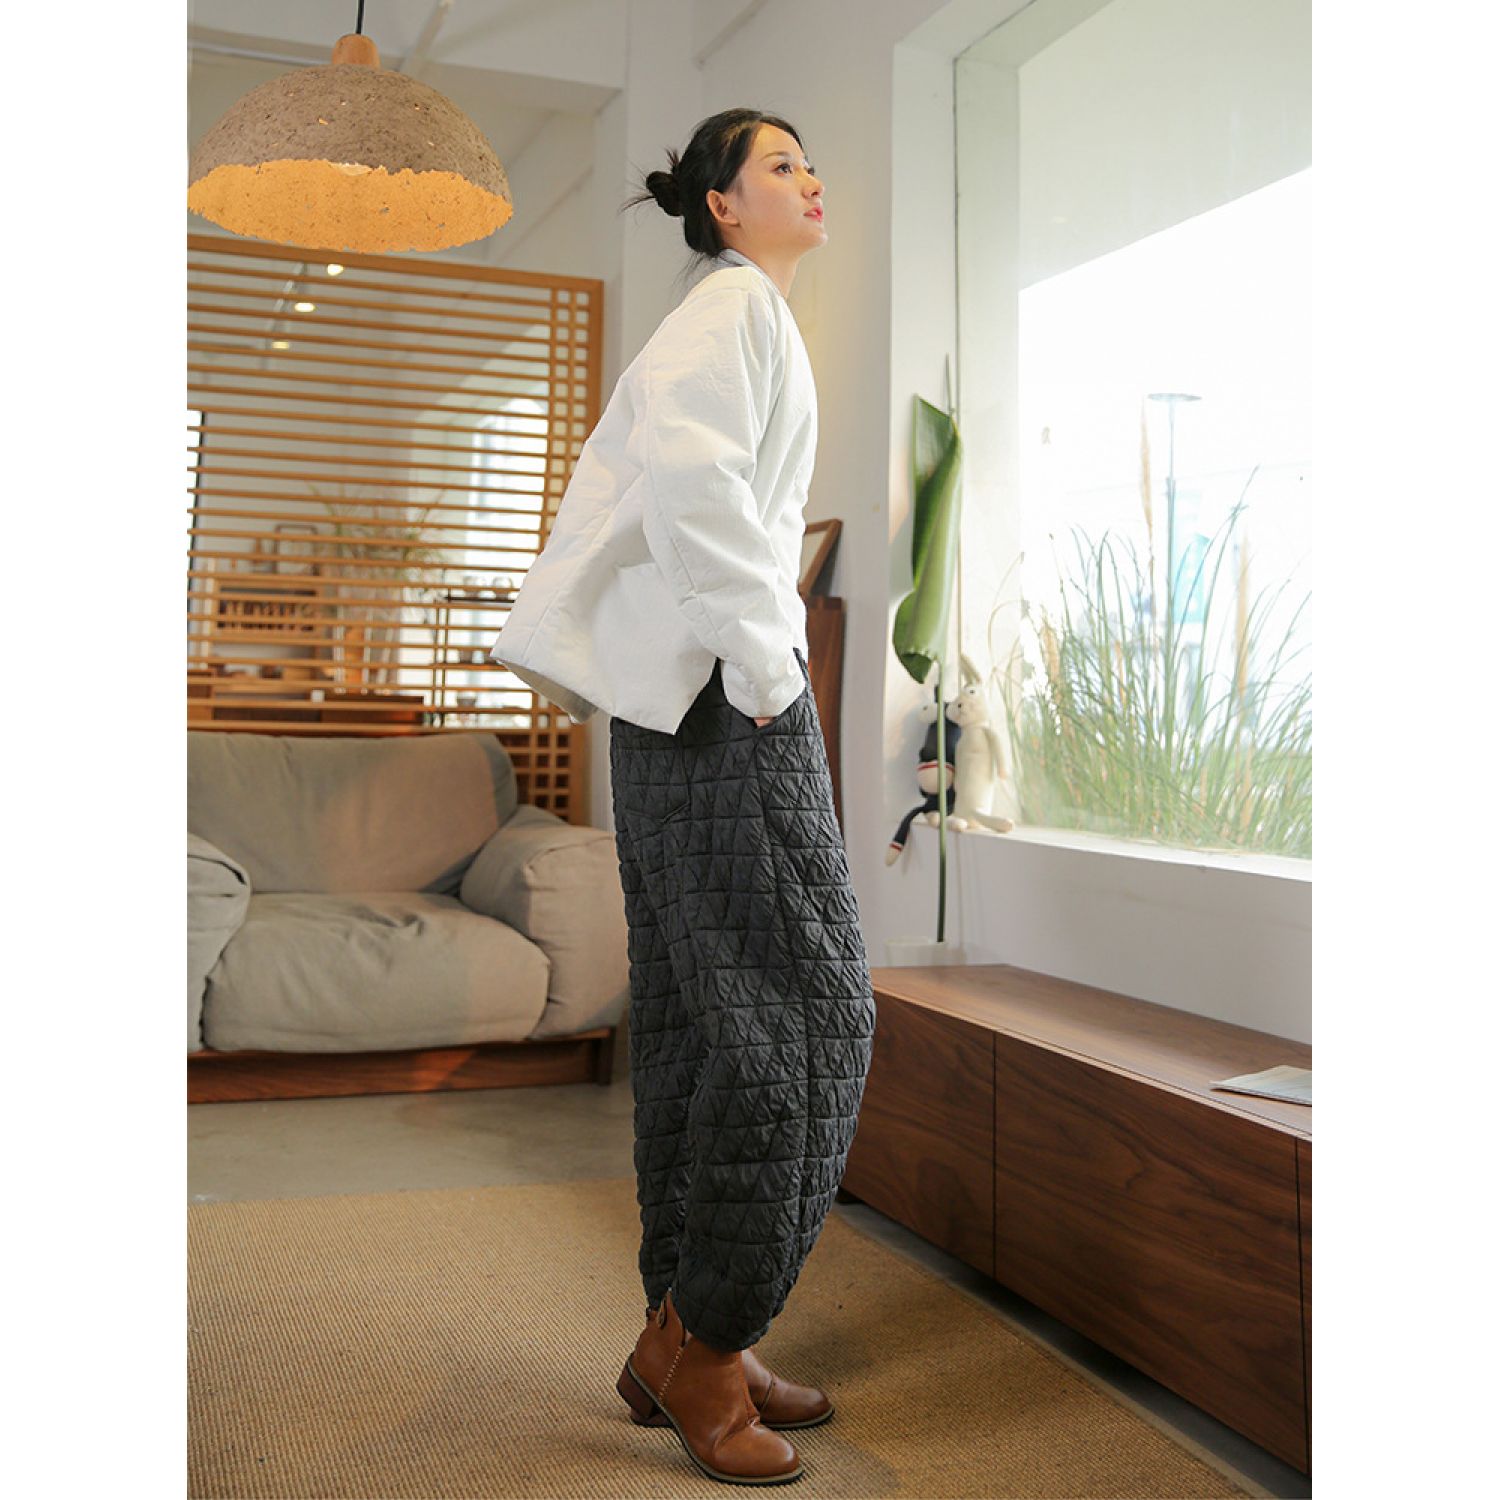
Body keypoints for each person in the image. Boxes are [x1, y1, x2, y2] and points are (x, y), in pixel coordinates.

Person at [488, 107, 875, 1487]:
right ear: (721, 203)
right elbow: (699, 489)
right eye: (780, 164)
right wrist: (771, 668)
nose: (809, 178)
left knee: (710, 1024)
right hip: (722, 697)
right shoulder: (732, 312)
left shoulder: (732, 315)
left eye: (810, 162)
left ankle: (693, 1330)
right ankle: (705, 1343)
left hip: (680, 706)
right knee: (807, 1019)